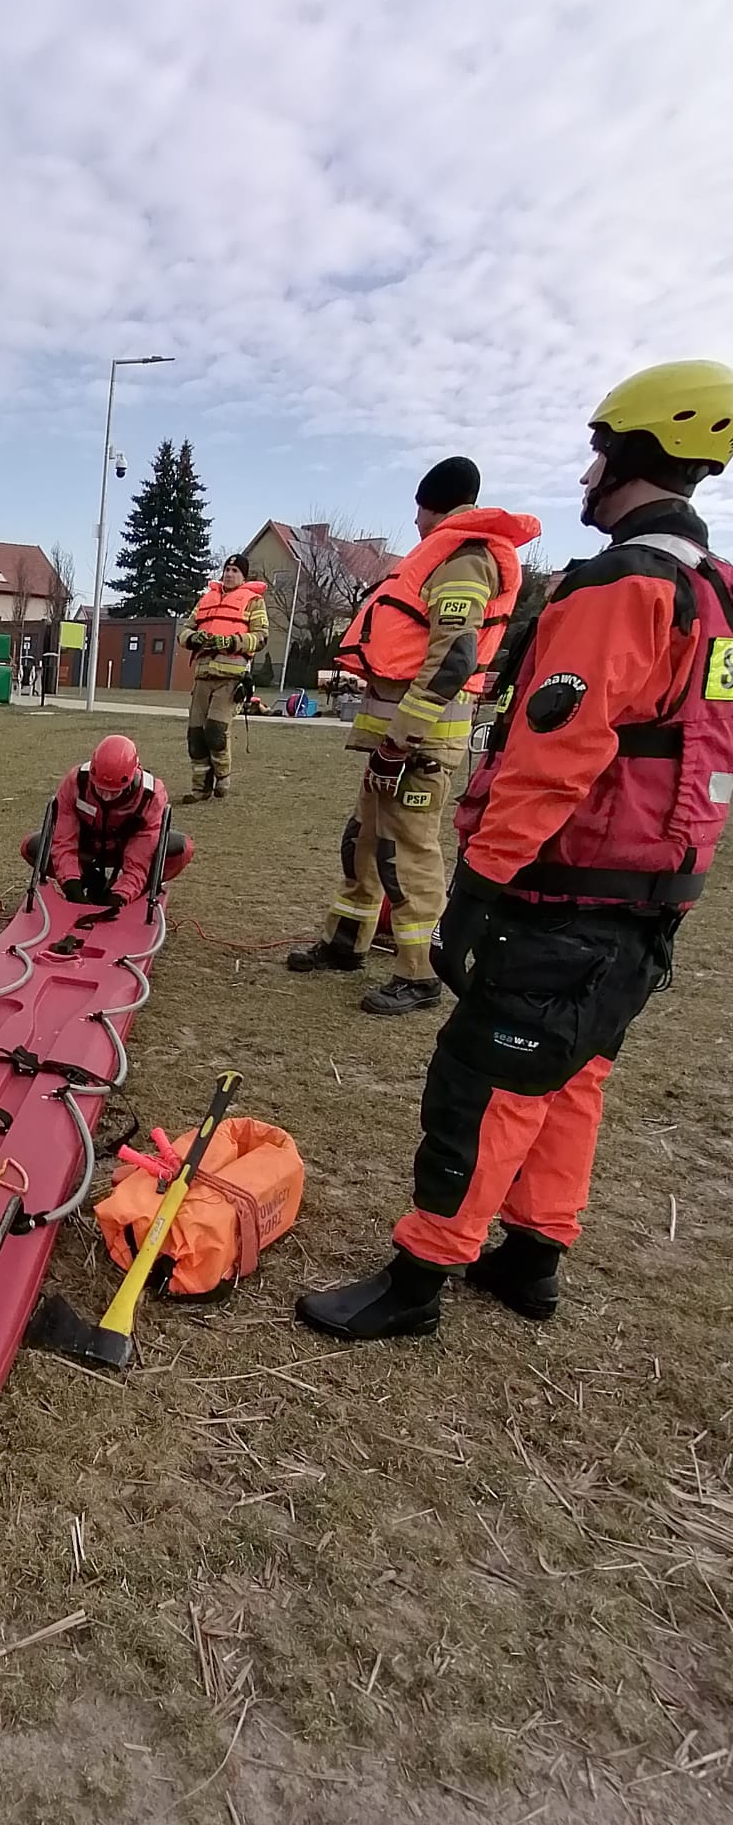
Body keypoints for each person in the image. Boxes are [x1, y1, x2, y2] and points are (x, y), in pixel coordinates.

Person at [297, 360, 733, 1342]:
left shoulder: (623, 585)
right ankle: (535, 1254)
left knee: (484, 1077)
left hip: (567, 889)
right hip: (651, 896)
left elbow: (556, 750)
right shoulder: (714, 594)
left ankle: (421, 1275)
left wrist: (482, 885)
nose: (586, 472)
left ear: (637, 451)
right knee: (570, 1075)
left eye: (599, 451)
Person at [287, 459, 540, 1015]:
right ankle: (346, 942)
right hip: (393, 747)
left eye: (418, 510)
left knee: (407, 856)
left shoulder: (465, 560)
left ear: (429, 506)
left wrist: (399, 742)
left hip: (417, 747)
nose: (416, 522)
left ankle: (420, 974)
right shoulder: (444, 558)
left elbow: (454, 660)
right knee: (363, 843)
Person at [21, 735, 194, 903]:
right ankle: (90, 878)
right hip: (87, 845)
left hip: (127, 847)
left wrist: (121, 895)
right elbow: (63, 838)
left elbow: (142, 853)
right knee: (32, 847)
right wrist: (71, 883)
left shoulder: (151, 796)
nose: (105, 796)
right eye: (100, 789)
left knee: (182, 849)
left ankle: (141, 890)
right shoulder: (76, 782)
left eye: (113, 792)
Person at [180, 555, 268, 802]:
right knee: (196, 735)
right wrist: (193, 638)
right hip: (203, 676)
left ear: (244, 576)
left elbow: (261, 636)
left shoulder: (254, 602)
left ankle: (222, 778)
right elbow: (185, 631)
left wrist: (232, 642)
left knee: (216, 731)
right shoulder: (206, 599)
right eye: (227, 569)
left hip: (231, 677)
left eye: (235, 571)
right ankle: (200, 789)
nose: (229, 574)